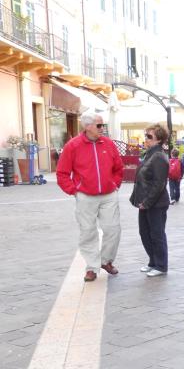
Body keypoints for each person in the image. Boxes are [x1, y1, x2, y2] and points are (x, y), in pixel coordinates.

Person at [56, 112, 123, 282]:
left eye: (103, 125)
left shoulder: (108, 144)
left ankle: (106, 260)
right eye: (99, 126)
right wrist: (74, 190)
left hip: (109, 195)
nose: (103, 129)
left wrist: (115, 184)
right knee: (88, 232)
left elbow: (118, 167)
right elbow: (62, 172)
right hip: (85, 196)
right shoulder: (73, 146)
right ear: (87, 126)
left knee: (113, 229)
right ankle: (92, 267)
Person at [130, 124, 170, 277]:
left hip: (156, 204)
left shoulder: (159, 156)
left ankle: (161, 266)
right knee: (145, 233)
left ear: (159, 139)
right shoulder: (150, 154)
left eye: (149, 136)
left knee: (156, 234)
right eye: (145, 135)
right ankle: (153, 262)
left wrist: (146, 202)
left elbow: (159, 183)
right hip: (145, 202)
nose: (145, 139)